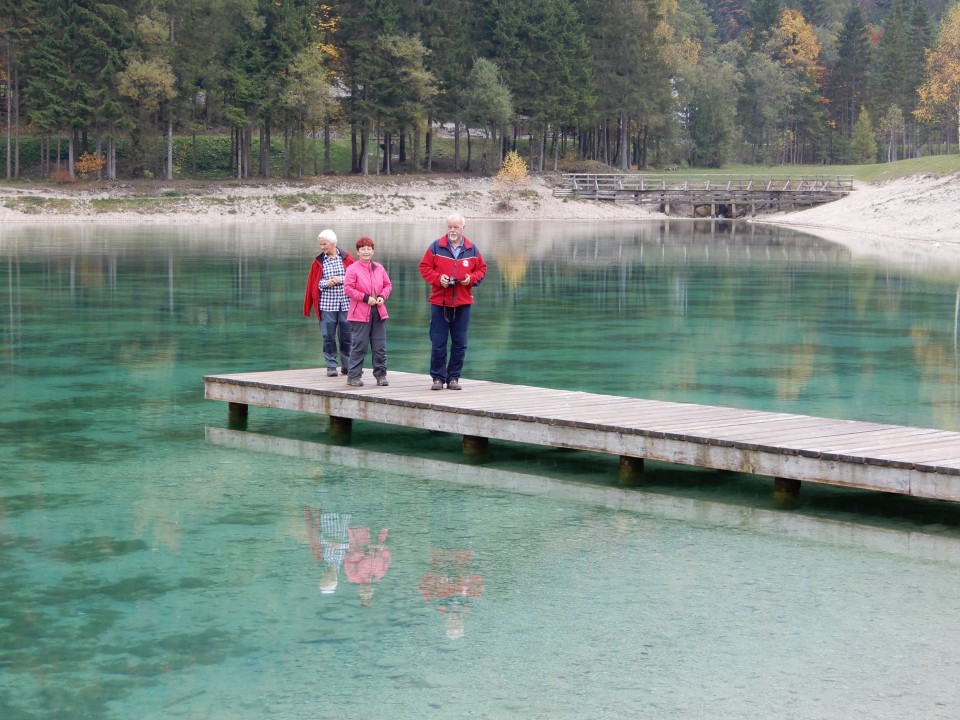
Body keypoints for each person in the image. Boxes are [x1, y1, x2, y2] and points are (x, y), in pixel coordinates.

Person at [418, 213, 487, 390]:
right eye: (450, 227)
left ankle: (454, 378)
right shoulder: (436, 246)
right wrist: (438, 278)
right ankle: (438, 378)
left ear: (463, 228)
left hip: (463, 303)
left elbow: (481, 269)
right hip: (440, 302)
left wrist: (470, 279)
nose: (452, 230)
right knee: (438, 342)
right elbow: (424, 267)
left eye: (456, 227)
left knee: (460, 343)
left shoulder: (472, 249)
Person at [302, 229, 354, 377]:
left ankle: (347, 365)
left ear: (333, 243)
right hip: (326, 304)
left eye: (324, 244)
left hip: (346, 303)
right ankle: (331, 365)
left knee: (347, 335)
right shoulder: (318, 261)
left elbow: (355, 278)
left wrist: (340, 280)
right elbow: (314, 283)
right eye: (321, 244)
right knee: (328, 335)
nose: (322, 247)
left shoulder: (347, 258)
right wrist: (326, 283)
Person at [343, 237, 392, 387]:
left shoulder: (379, 267)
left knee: (380, 346)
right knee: (360, 345)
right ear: (357, 251)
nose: (366, 251)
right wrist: (365, 298)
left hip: (378, 312)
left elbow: (387, 285)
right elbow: (348, 289)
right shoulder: (353, 269)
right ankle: (354, 376)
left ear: (373, 251)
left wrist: (382, 297)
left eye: (369, 248)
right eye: (363, 249)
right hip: (359, 314)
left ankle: (381, 375)